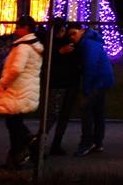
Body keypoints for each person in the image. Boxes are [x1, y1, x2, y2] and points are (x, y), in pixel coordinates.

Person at [0, 15, 44, 169]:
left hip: (16, 89)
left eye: (19, 26)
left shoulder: (23, 47)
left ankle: (22, 152)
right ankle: (28, 146)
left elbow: (16, 68)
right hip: (26, 88)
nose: (16, 29)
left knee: (13, 124)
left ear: (26, 28)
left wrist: (4, 82)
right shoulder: (34, 45)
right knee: (15, 122)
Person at [67, 21, 114, 157]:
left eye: (73, 34)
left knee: (86, 110)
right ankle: (97, 142)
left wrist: (86, 88)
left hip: (97, 82)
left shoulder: (88, 45)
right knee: (98, 111)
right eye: (69, 35)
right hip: (102, 81)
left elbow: (90, 67)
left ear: (81, 31)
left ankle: (86, 143)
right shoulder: (90, 42)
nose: (72, 37)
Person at [45, 17, 81, 155]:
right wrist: (59, 52)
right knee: (53, 114)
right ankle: (40, 142)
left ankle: (56, 144)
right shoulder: (51, 44)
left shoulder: (70, 43)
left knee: (64, 115)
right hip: (58, 83)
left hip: (70, 83)